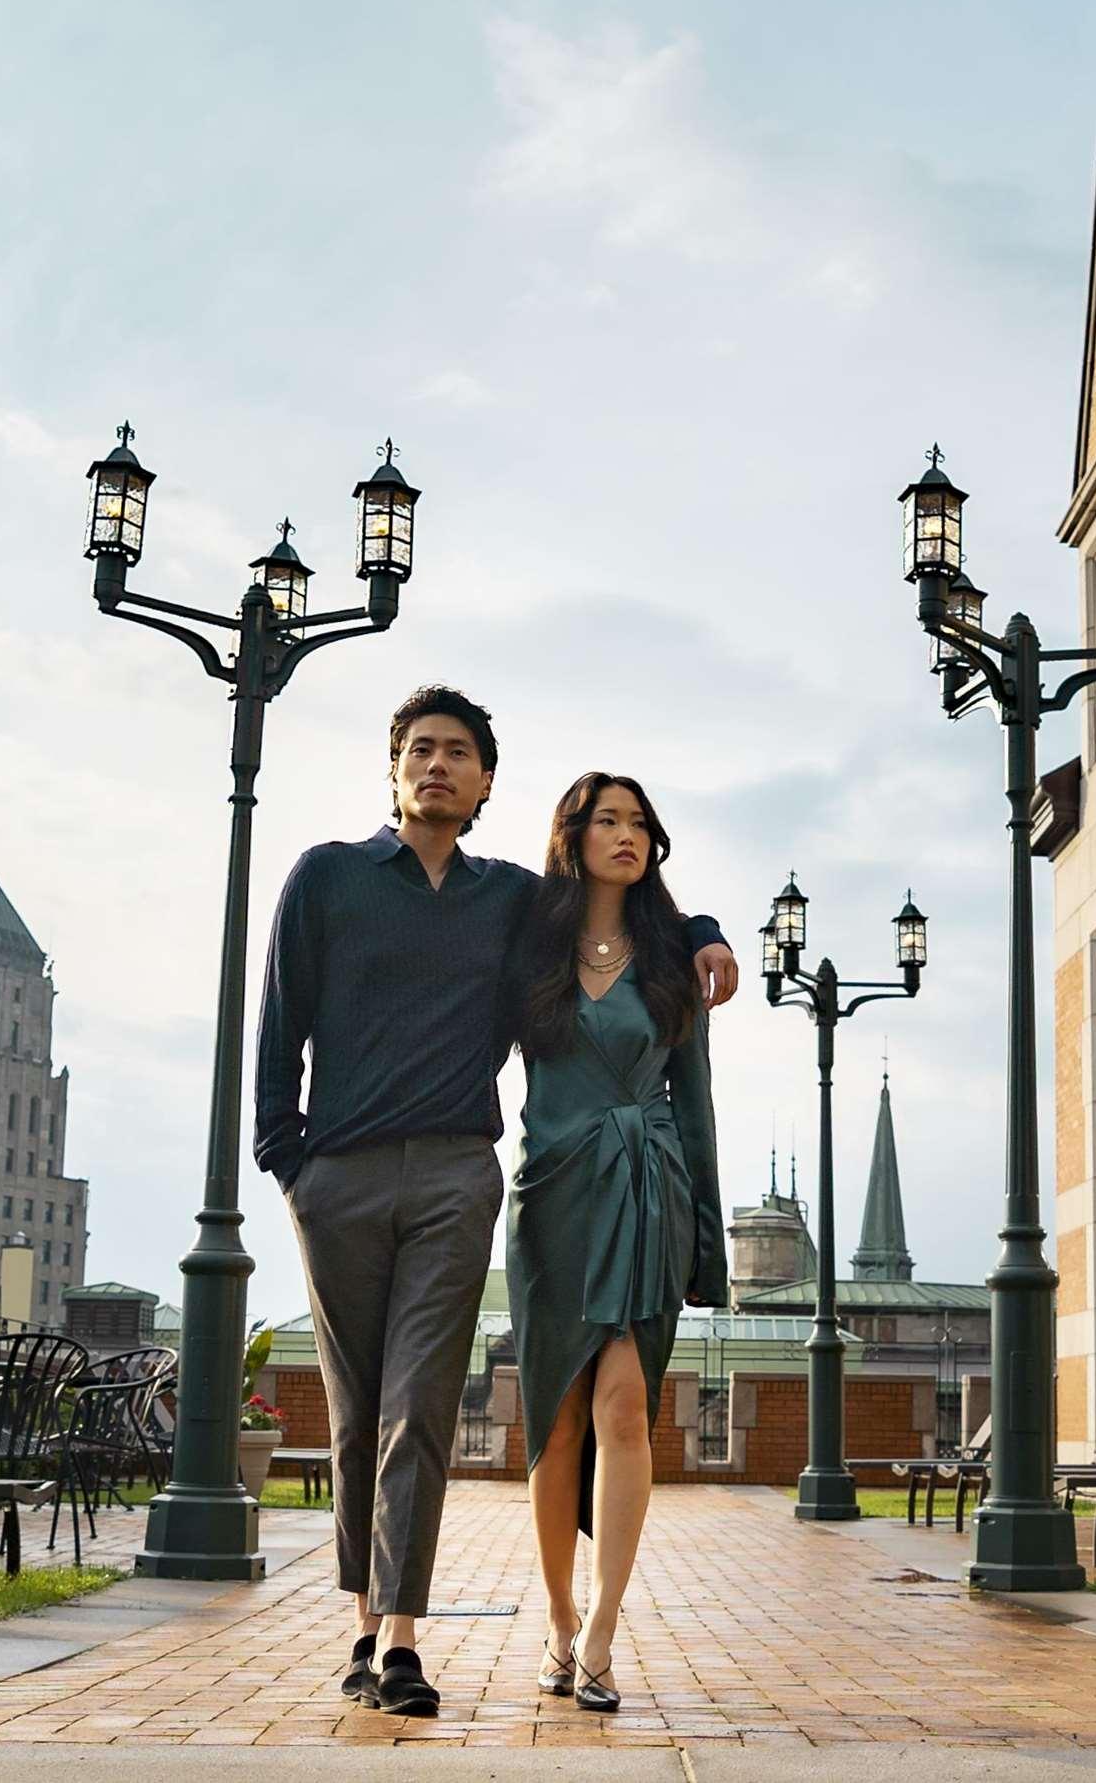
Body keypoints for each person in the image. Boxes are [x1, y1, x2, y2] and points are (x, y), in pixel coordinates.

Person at [253, 686, 736, 1720]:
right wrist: (285, 1157)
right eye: (420, 749)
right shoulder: (326, 874)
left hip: (457, 1173)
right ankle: (361, 1618)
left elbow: (622, 889)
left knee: (418, 1401)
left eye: (457, 752)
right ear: (394, 767)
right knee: (355, 1408)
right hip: (336, 1171)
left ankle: (401, 1641)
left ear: (484, 783)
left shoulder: (511, 898)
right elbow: (277, 1019)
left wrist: (703, 928)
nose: (437, 764)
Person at [506, 770, 725, 1714]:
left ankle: (601, 1631)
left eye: (641, 822)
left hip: (649, 1193)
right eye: (609, 819)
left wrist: (706, 1244)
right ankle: (555, 1620)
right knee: (556, 1418)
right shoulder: (527, 937)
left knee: (627, 1408)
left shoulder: (674, 954)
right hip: (554, 1197)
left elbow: (698, 1104)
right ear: (574, 833)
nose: (627, 834)